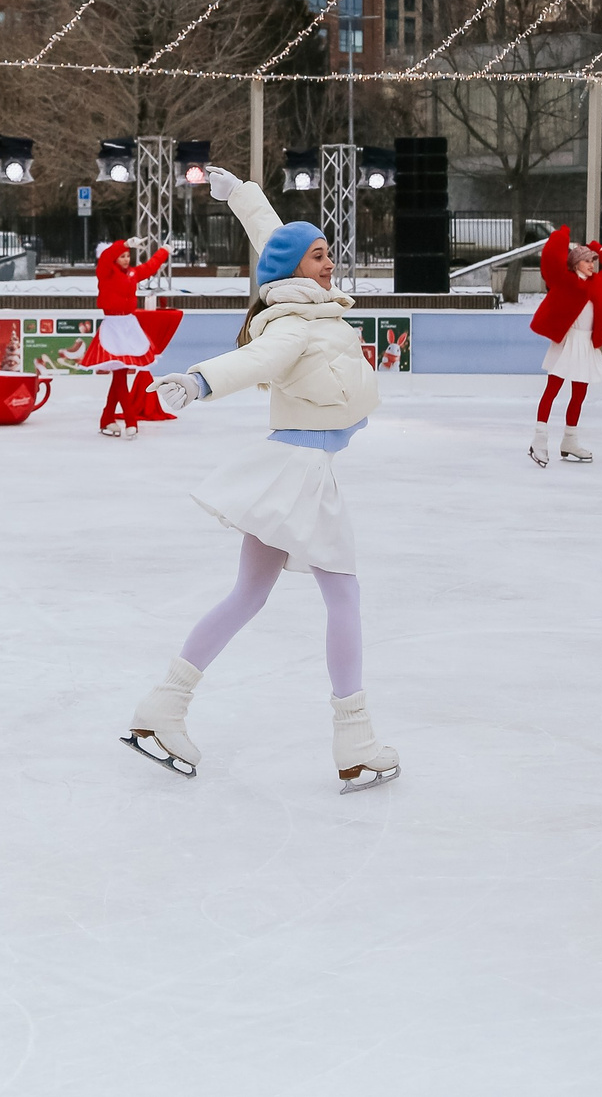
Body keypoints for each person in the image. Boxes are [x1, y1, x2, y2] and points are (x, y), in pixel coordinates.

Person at [126, 163, 401, 794]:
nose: (329, 263)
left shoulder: (306, 301)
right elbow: (256, 360)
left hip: (293, 469)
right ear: (296, 270)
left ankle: (162, 709)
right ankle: (355, 741)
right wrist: (196, 382)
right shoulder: (294, 324)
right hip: (301, 472)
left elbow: (274, 239)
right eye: (318, 256)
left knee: (248, 596)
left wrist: (241, 195)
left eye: (328, 252)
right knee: (344, 598)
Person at [526, 224, 602, 467]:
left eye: (593, 261)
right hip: (567, 341)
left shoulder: (599, 283)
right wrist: (562, 236)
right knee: (552, 389)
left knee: (579, 395)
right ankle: (539, 439)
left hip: (587, 345)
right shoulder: (563, 280)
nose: (592, 265)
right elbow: (550, 258)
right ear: (575, 264)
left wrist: (599, 249)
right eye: (588, 261)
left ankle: (570, 440)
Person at [80, 234, 178, 439]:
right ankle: (129, 420)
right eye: (122, 256)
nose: (126, 259)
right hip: (113, 326)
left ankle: (107, 418)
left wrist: (164, 252)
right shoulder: (105, 272)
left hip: (128, 325)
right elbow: (106, 257)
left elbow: (150, 267)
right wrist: (123, 244)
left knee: (120, 375)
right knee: (120, 375)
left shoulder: (132, 273)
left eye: (127, 256)